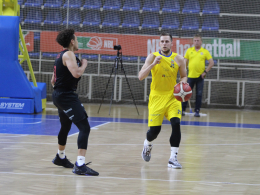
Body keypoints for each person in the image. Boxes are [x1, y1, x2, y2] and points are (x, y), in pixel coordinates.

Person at [51, 29, 99, 176]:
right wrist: (84, 64)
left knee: (65, 126)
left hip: (59, 95)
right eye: (76, 39)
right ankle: (80, 164)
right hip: (65, 96)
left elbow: (53, 80)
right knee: (84, 127)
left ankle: (60, 157)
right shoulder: (69, 54)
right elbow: (77, 73)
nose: (77, 42)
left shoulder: (60, 55)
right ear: (72, 41)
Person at [138, 32, 187, 169]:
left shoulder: (179, 59)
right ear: (159, 43)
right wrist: (153, 64)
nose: (164, 44)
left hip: (173, 97)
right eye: (162, 41)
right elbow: (141, 76)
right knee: (154, 131)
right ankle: (147, 144)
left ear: (172, 43)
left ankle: (173, 158)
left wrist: (182, 85)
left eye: (167, 41)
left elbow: (184, 76)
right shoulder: (152, 57)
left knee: (176, 123)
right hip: (157, 97)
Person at [182, 34, 214, 117]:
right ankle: (182, 110)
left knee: (199, 94)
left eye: (198, 40)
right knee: (186, 93)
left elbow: (211, 63)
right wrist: (183, 73)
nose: (196, 42)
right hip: (190, 76)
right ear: (193, 42)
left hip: (200, 77)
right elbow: (185, 62)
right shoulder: (189, 50)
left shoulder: (205, 51)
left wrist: (205, 72)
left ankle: (197, 111)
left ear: (201, 41)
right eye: (195, 40)